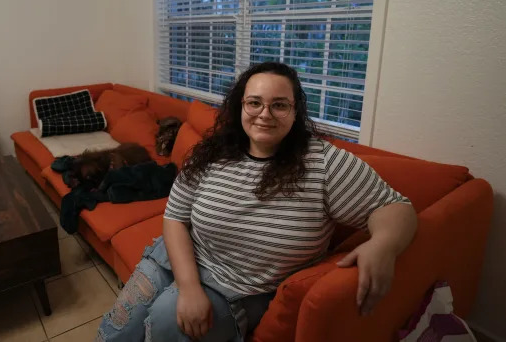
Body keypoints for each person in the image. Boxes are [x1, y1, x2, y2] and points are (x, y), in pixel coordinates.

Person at [96, 62, 417, 342]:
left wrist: (384, 244)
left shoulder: (325, 164)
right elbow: (176, 216)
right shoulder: (212, 153)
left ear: (295, 111)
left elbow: (394, 207)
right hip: (174, 258)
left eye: (279, 105)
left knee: (167, 320)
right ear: (240, 107)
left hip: (237, 291)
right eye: (254, 103)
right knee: (118, 331)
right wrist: (189, 286)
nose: (265, 114)